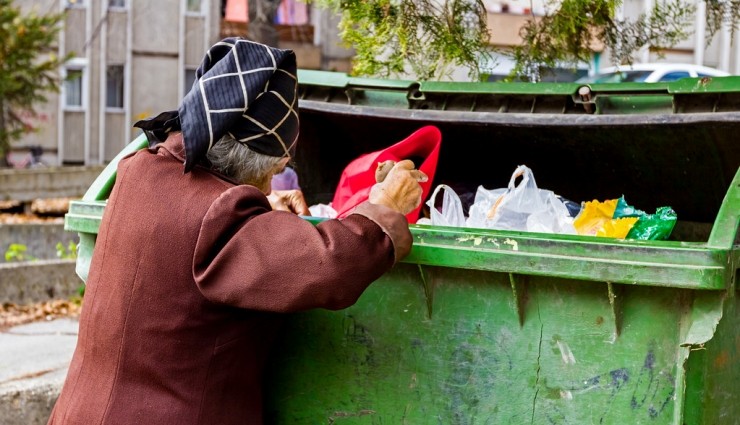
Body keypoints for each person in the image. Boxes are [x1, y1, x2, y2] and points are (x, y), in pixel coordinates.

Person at [47, 38, 427, 425]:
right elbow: (330, 265)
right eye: (274, 170)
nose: (270, 182)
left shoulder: (137, 170)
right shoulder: (222, 216)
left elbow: (190, 231)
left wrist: (260, 215)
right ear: (253, 162)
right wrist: (384, 206)